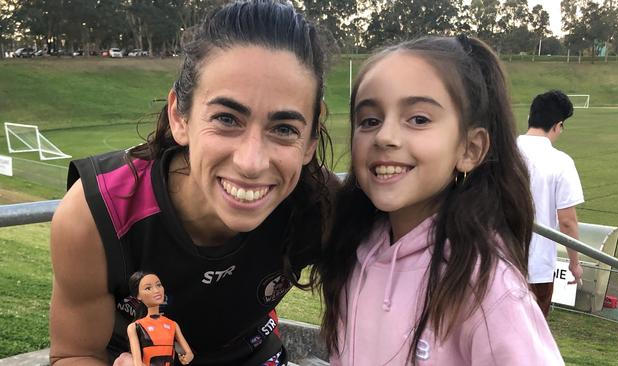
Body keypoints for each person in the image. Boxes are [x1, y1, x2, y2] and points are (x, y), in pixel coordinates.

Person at [49, 1, 335, 365]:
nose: (251, 162)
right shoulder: (97, 212)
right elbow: (75, 354)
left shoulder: (320, 205)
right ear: (179, 116)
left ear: (311, 139)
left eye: (284, 129)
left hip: (250, 352)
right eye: (227, 119)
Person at [318, 35, 564, 365]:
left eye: (418, 119)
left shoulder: (486, 285)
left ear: (470, 149)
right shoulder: (354, 249)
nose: (385, 136)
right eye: (370, 120)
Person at [517, 90, 584, 317]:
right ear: (558, 125)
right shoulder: (561, 163)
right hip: (536, 271)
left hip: (493, 263)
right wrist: (574, 264)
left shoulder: (501, 152)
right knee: (531, 344)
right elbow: (567, 222)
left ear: (530, 118)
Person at [126, 271, 193, 366]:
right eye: (148, 288)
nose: (157, 290)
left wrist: (187, 358)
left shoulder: (172, 324)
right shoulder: (135, 327)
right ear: (138, 296)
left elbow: (189, 354)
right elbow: (138, 363)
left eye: (158, 285)